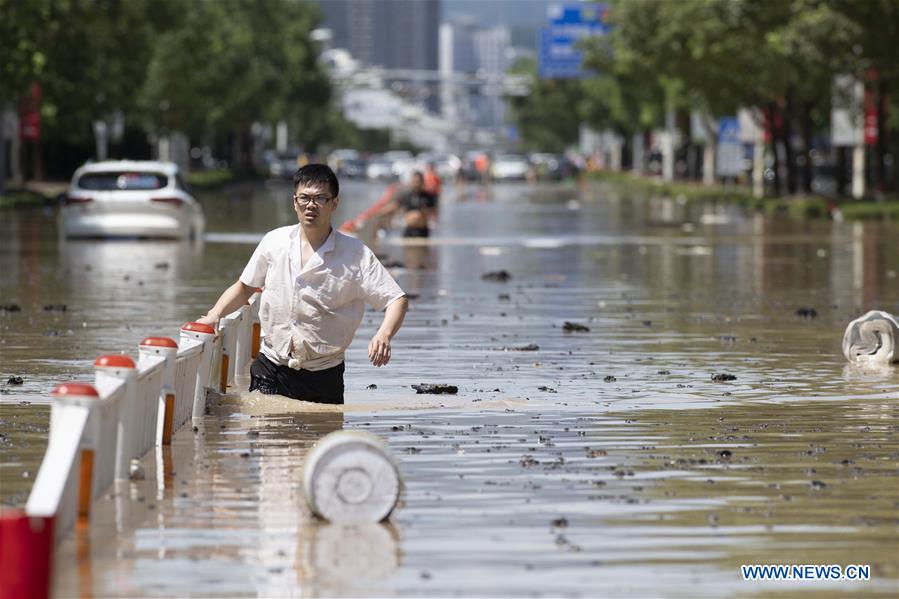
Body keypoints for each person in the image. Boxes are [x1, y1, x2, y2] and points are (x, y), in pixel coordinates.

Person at [197, 164, 408, 405]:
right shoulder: (274, 241)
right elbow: (244, 287)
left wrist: (384, 334)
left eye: (320, 198)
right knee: (266, 431)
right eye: (304, 198)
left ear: (334, 203)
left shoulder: (355, 254)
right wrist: (213, 316)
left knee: (318, 439)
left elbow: (396, 300)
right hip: (272, 366)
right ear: (294, 202)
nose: (311, 205)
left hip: (324, 372)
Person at [378, 171, 436, 238]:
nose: (416, 184)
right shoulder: (407, 194)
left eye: (418, 182)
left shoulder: (428, 196)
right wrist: (381, 212)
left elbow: (433, 211)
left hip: (423, 231)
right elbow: (395, 205)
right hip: (409, 230)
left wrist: (424, 211)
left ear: (422, 182)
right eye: (414, 181)